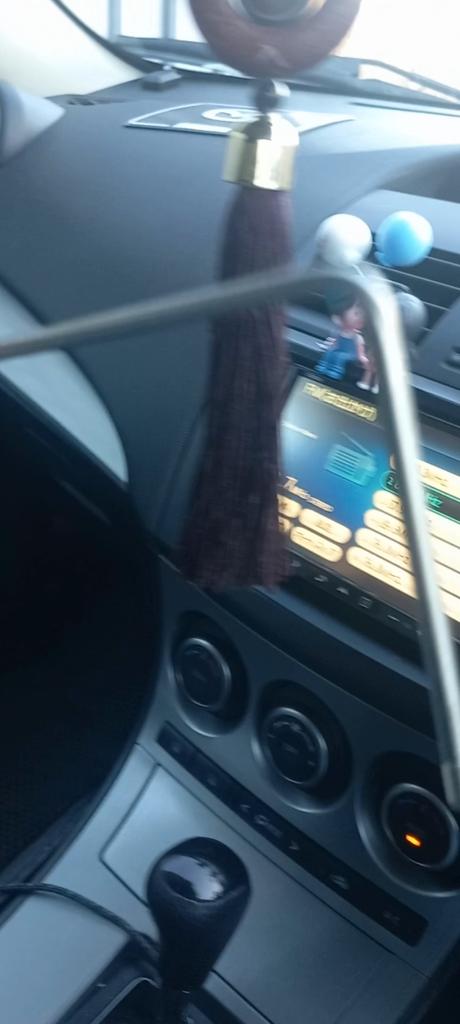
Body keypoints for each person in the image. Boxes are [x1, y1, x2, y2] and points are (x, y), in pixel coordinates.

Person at [316, 288, 369, 382]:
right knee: (330, 352)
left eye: (358, 314)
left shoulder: (357, 336)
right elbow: (335, 342)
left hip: (351, 354)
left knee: (340, 357)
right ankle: (323, 366)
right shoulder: (339, 331)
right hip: (339, 349)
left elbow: (359, 349)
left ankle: (335, 371)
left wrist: (361, 357)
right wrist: (328, 346)